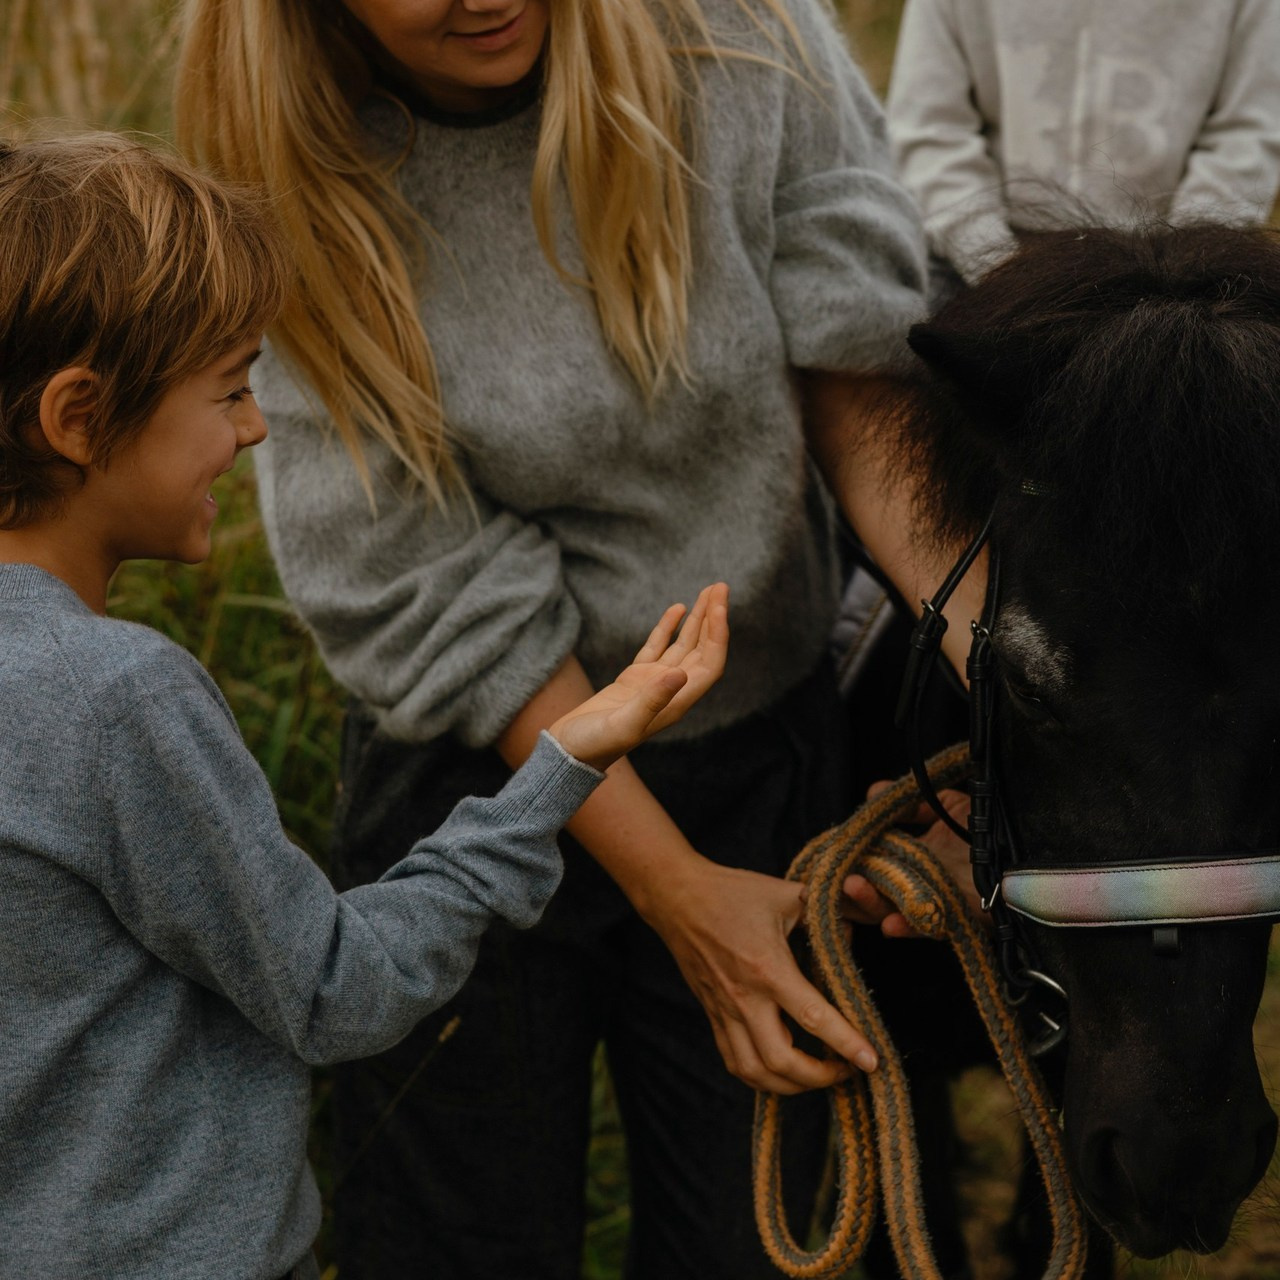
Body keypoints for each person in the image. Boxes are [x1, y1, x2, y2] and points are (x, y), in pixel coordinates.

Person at [175, 0, 970, 1275]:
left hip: (761, 751)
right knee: (460, 1245)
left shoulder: (739, 34)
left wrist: (999, 679)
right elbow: (422, 577)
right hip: (470, 784)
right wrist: (676, 892)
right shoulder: (279, 167)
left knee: (771, 1241)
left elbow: (858, 356)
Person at [0, 131, 731, 1280]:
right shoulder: (112, 699)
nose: (252, 429)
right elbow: (336, 987)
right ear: (78, 416)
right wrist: (559, 764)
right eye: (232, 388)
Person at [887, 0, 1280, 288]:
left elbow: (1247, 135)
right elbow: (930, 130)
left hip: (1175, 276)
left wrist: (1180, 273)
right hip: (984, 268)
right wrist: (994, 267)